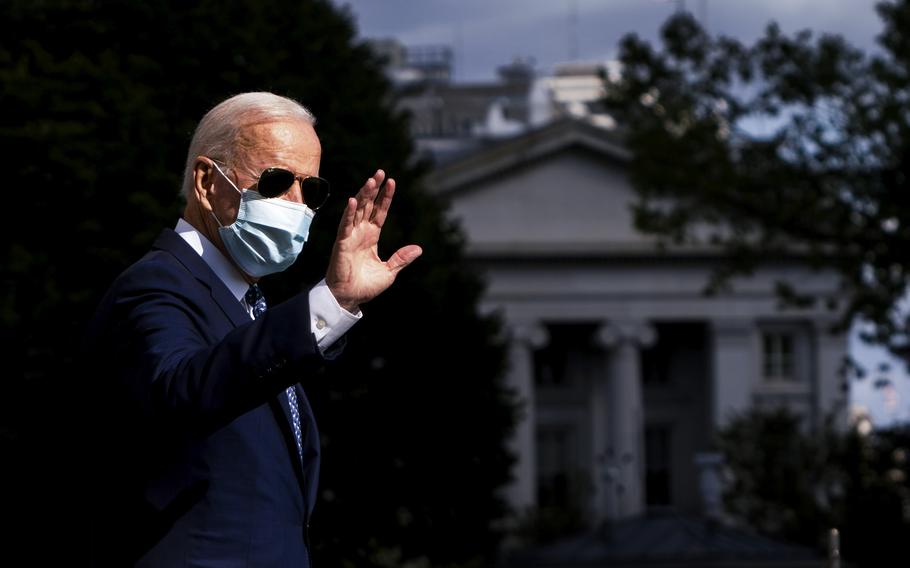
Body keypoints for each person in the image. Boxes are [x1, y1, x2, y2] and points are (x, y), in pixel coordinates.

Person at [82, 92, 422, 566]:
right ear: (205, 181)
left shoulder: (252, 307)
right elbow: (184, 390)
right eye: (278, 181)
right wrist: (332, 301)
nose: (298, 205)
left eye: (312, 190)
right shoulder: (155, 284)